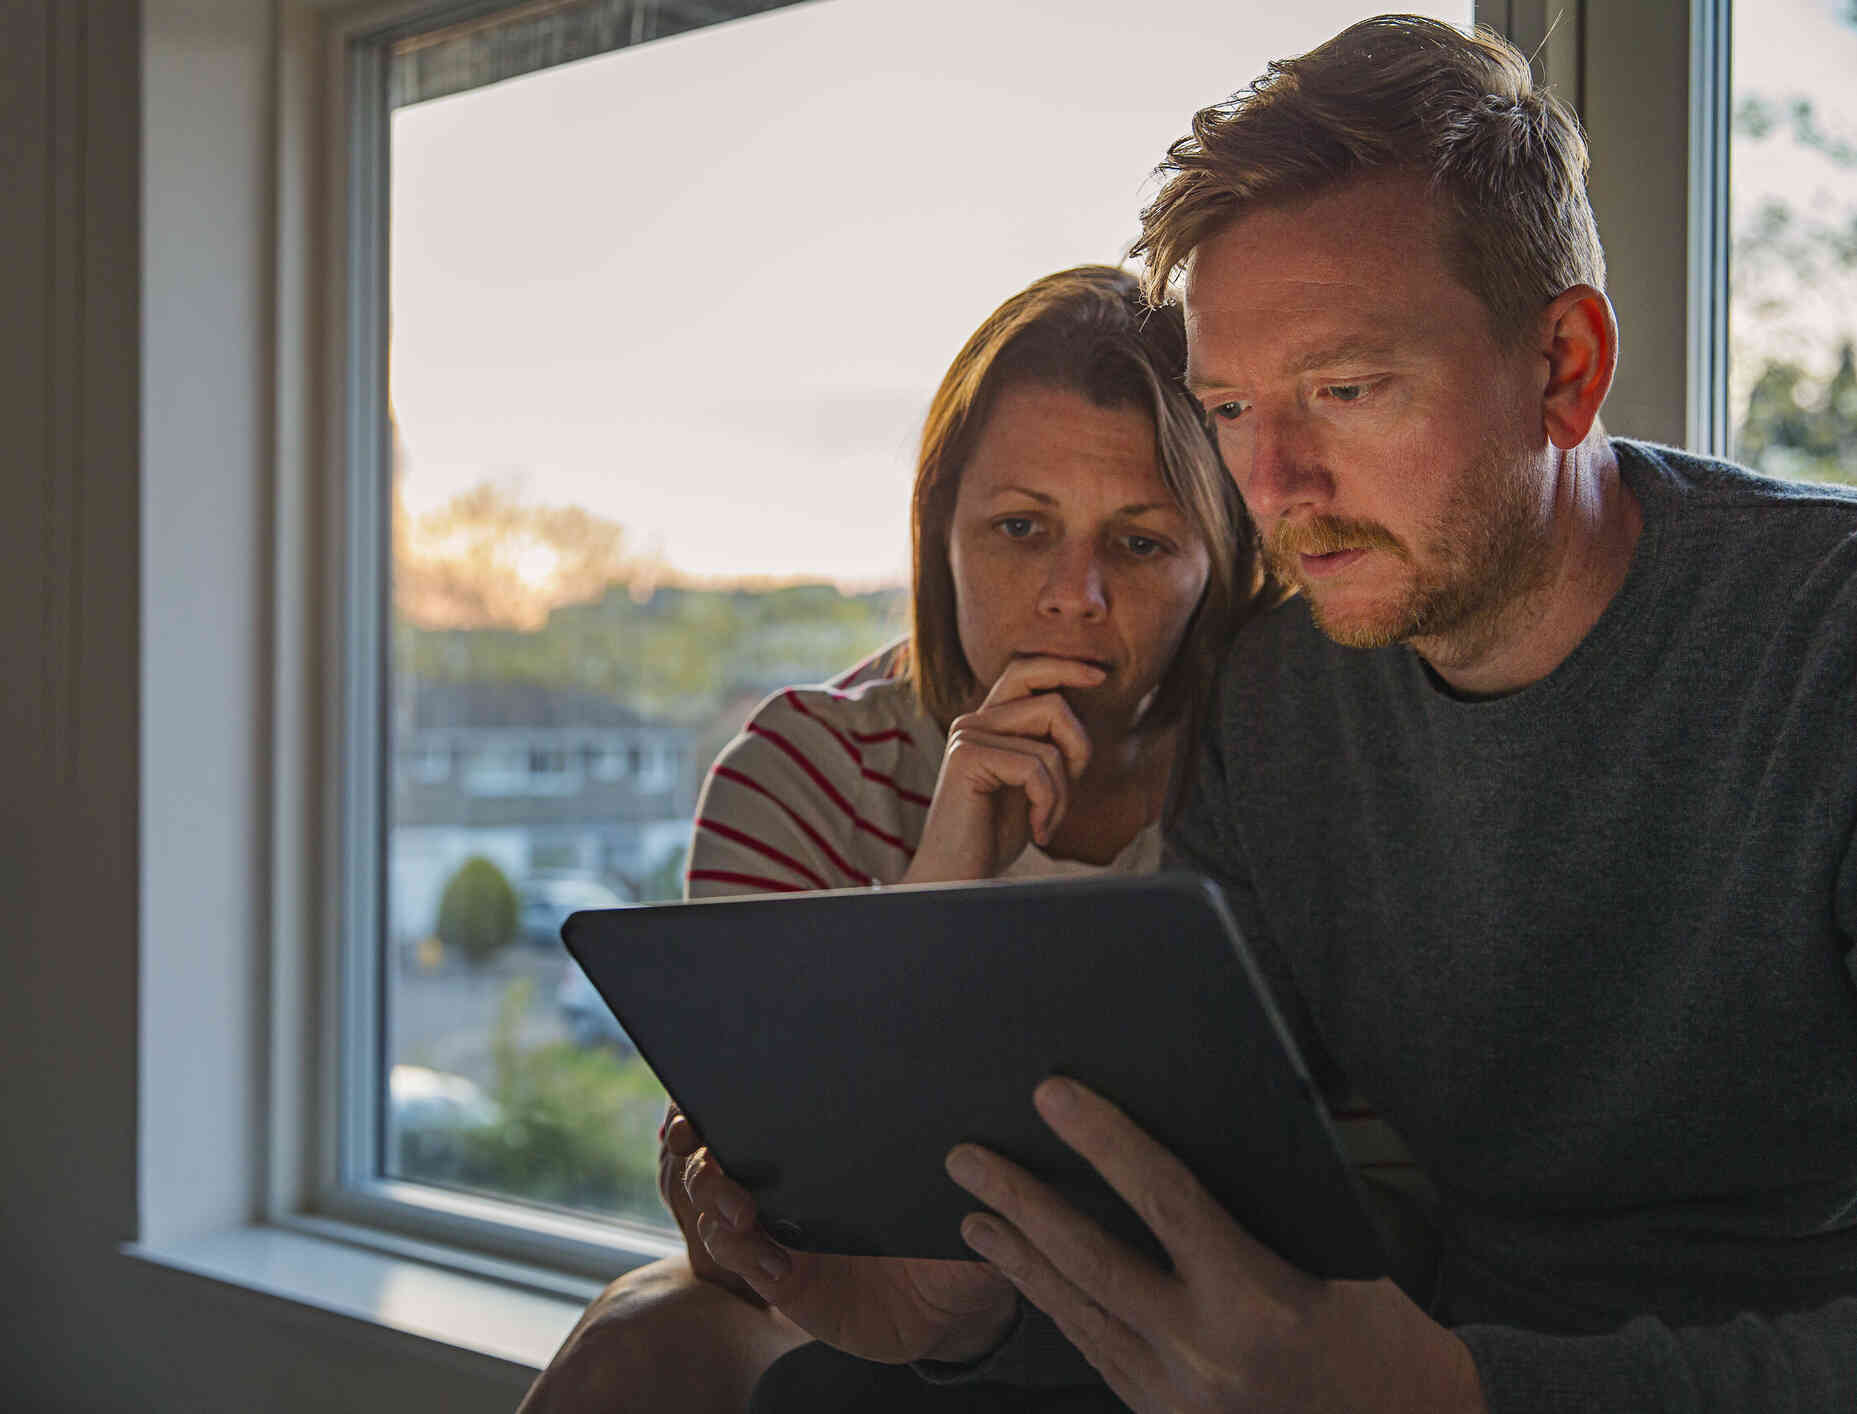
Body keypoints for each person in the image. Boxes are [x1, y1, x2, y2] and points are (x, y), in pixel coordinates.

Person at [682, 15, 1857, 1414]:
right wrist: (953, 1320)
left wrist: (1459, 1395)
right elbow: (1202, 1181)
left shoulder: (1824, 650)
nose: (1276, 481)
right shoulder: (1282, 695)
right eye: (1231, 407)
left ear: (1563, 368)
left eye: (1347, 390)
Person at [515, 265, 1313, 1413]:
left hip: (1218, 1321)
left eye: (1139, 544)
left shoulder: (1292, 760)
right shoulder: (801, 773)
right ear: (939, 533)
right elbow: (787, 1227)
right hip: (902, 1313)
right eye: (1020, 528)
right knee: (637, 1340)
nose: (1072, 594)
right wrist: (948, 883)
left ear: (1219, 560)